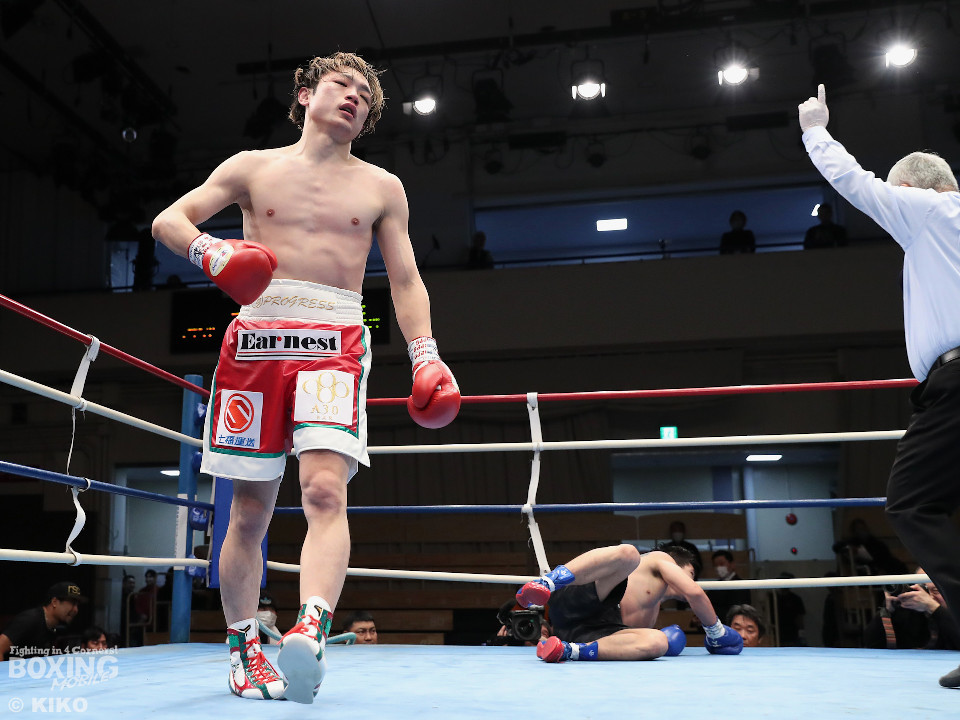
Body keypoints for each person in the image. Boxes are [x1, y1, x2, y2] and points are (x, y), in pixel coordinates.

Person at [152, 51, 460, 704]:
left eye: (365, 96)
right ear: (304, 94)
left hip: (334, 341)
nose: (353, 97)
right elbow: (169, 221)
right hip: (255, 340)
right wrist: (214, 253)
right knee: (248, 511)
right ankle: (243, 649)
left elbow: (405, 279)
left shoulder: (382, 187)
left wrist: (426, 354)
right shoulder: (251, 167)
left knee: (324, 490)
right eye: (341, 85)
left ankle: (311, 628)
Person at [798, 83, 960, 688]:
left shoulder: (930, 211)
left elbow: (857, 183)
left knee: (912, 501)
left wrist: (815, 130)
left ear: (914, 188)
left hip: (956, 384)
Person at [514, 544, 742, 662]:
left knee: (658, 641)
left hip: (585, 631)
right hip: (578, 596)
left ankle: (568, 651)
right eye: (690, 573)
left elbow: (623, 638)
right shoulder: (659, 559)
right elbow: (695, 593)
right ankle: (547, 582)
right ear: (678, 565)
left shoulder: (653, 607)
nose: (691, 581)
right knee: (629, 554)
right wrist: (716, 632)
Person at [864, 568, 960, 651]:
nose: (928, 596)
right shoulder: (907, 611)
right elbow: (871, 645)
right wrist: (887, 611)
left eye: (935, 590)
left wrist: (933, 607)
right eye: (923, 589)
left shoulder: (956, 611)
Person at [0, 581, 84, 660]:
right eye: (72, 603)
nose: (76, 610)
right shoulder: (30, 620)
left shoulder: (54, 628)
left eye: (77, 605)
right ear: (54, 602)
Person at [831, 518, 906, 576]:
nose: (861, 531)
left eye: (863, 528)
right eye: (858, 529)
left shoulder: (875, 542)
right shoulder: (852, 542)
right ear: (854, 531)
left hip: (881, 565)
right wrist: (851, 548)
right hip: (865, 569)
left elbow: (885, 556)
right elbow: (836, 547)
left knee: (898, 566)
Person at [705, 550, 752, 626]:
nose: (718, 568)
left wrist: (710, 616)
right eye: (715, 565)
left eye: (721, 564)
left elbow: (738, 611)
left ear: (732, 564)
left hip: (732, 626)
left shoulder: (742, 585)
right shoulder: (714, 586)